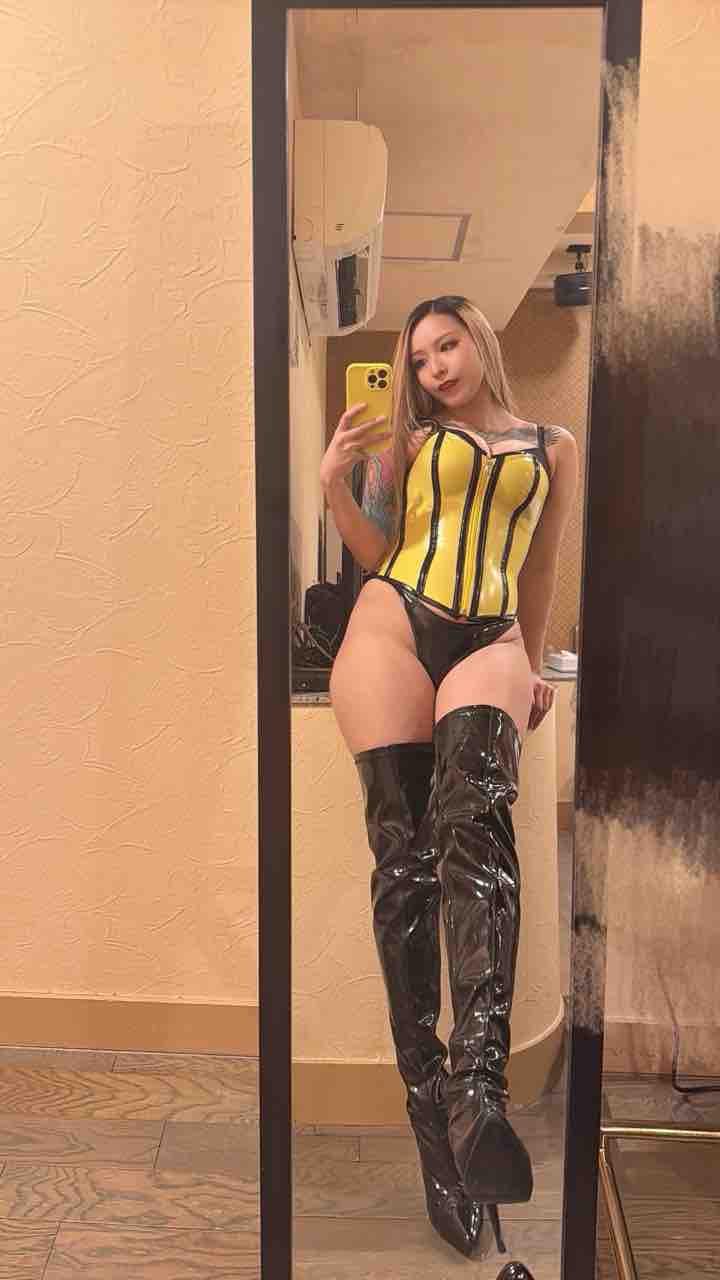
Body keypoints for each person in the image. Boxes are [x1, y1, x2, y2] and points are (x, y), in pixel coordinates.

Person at [319, 296, 577, 1261]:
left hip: (491, 637)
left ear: (478, 338)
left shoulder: (554, 447)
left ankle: (477, 1091)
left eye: (446, 345)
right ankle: (430, 1112)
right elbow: (377, 553)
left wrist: (535, 664)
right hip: (395, 619)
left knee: (478, 833)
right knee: (405, 863)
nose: (434, 369)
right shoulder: (412, 444)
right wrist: (334, 484)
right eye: (419, 358)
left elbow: (539, 568)